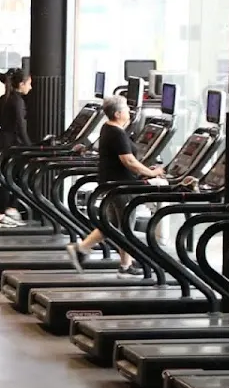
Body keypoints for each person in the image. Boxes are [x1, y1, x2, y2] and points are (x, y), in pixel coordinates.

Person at [64, 95, 165, 278]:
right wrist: (152, 173)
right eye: (126, 108)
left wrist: (144, 170)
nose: (129, 111)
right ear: (118, 113)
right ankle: (124, 266)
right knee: (125, 224)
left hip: (111, 182)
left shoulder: (108, 128)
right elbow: (129, 161)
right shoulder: (117, 133)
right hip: (121, 185)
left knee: (111, 224)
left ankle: (84, 249)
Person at [0, 68, 33, 226]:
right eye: (29, 84)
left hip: (1, 142)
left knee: (3, 178)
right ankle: (10, 208)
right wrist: (30, 147)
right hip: (12, 145)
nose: (30, 87)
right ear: (21, 84)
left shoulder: (2, 99)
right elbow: (21, 127)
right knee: (19, 176)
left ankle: (2, 213)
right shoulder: (18, 101)